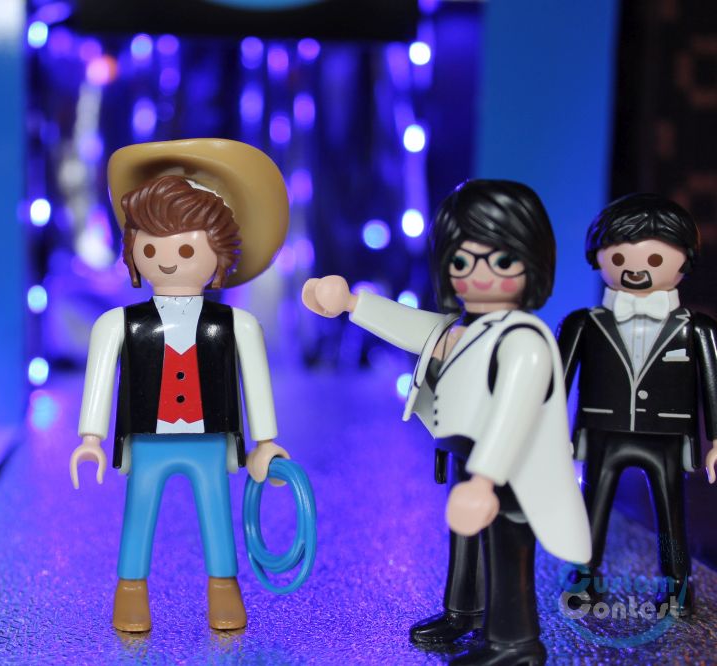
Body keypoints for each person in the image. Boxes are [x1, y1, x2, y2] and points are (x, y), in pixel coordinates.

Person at [303, 179, 590, 665]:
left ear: (533, 263)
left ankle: (514, 643)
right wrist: (352, 303)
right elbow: (418, 329)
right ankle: (463, 613)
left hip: (509, 470)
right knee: (465, 542)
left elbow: (514, 413)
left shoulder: (524, 339)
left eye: (501, 261)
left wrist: (485, 480)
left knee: (506, 551)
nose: (478, 276)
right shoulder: (468, 330)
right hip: (468, 459)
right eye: (461, 262)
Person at [69, 138, 290, 633]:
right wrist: (90, 439)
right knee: (138, 515)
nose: (166, 260)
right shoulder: (117, 324)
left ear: (219, 253)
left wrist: (266, 443)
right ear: (133, 251)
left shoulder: (237, 325)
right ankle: (130, 593)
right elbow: (99, 380)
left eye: (186, 248)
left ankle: (224, 591)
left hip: (210, 440)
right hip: (147, 439)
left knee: (216, 517)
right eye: (150, 248)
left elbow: (256, 384)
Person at [557, 193, 717, 617]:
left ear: (684, 261)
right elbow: (556, 382)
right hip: (602, 430)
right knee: (593, 507)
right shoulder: (583, 323)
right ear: (598, 258)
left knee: (671, 513)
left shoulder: (695, 329)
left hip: (666, 435)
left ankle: (676, 583)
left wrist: (716, 439)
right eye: (619, 256)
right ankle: (585, 575)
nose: (635, 269)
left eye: (655, 259)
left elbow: (712, 384)